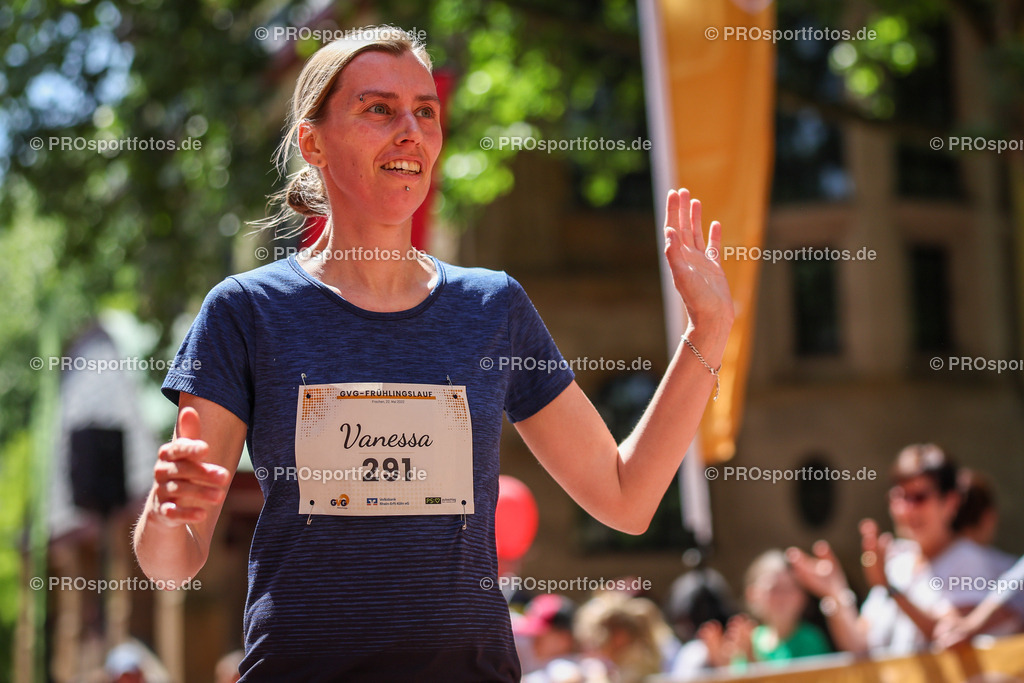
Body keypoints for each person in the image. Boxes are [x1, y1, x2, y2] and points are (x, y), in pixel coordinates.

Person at [131, 26, 734, 681]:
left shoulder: (492, 307)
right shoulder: (245, 311)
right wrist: (167, 514)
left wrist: (707, 331)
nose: (410, 131)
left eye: (426, 111)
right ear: (312, 141)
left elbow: (626, 495)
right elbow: (173, 560)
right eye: (379, 109)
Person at [788, 444, 1017, 656]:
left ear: (951, 502)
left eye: (919, 497)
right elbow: (860, 645)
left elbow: (949, 635)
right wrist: (835, 594)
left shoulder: (968, 559)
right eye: (900, 497)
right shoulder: (898, 563)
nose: (906, 509)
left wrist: (891, 589)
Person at [739, 550, 831, 664]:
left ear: (802, 596)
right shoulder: (749, 640)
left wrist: (753, 660)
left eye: (788, 589)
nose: (781, 598)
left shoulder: (810, 640)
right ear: (752, 594)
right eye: (774, 589)